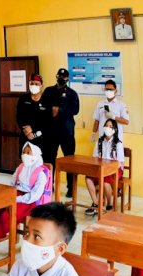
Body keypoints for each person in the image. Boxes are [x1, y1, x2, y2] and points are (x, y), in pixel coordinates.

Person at [0, 142, 52, 255]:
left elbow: (35, 195)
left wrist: (17, 199)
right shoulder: (21, 167)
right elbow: (13, 183)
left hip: (29, 201)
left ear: (36, 155)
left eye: (29, 152)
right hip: (15, 194)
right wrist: (8, 196)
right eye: (24, 152)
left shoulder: (41, 173)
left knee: (7, 214)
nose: (25, 155)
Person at [43, 68, 80, 198]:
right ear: (56, 76)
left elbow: (75, 110)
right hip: (51, 132)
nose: (61, 79)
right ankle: (48, 185)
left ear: (67, 79)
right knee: (49, 159)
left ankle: (71, 188)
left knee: (69, 160)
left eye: (64, 78)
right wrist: (50, 109)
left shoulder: (72, 93)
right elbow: (42, 107)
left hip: (67, 132)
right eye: (60, 76)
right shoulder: (48, 91)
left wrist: (59, 109)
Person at [85, 119, 125, 216]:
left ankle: (109, 204)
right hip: (101, 168)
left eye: (110, 126)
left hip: (115, 169)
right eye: (106, 125)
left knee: (105, 180)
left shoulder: (118, 143)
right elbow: (95, 158)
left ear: (114, 129)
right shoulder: (100, 141)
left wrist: (109, 168)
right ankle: (96, 203)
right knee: (88, 178)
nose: (108, 128)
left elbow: (120, 162)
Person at [16, 73, 50, 160]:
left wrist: (34, 132)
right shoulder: (23, 99)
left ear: (41, 85)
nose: (33, 85)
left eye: (36, 84)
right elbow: (19, 117)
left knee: (40, 166)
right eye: (31, 83)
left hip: (42, 139)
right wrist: (26, 130)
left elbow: (49, 121)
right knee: (25, 163)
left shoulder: (47, 100)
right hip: (25, 136)